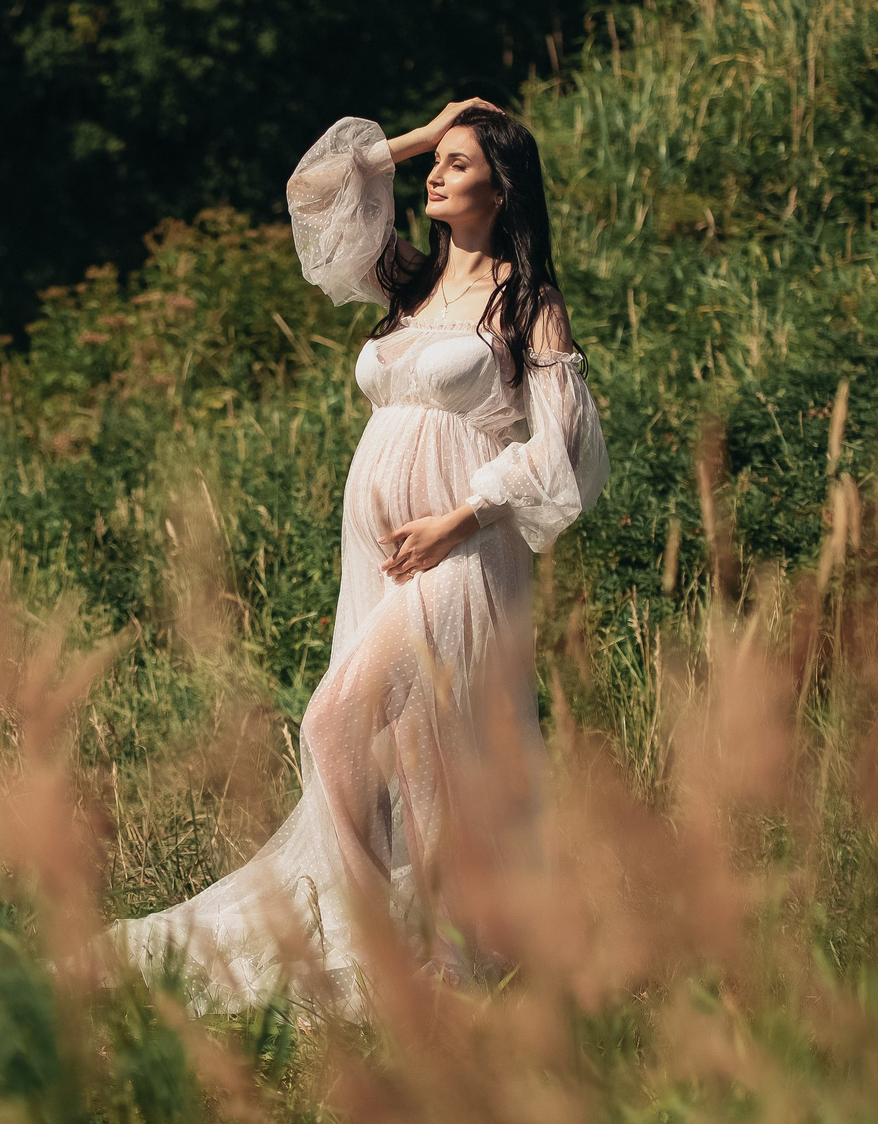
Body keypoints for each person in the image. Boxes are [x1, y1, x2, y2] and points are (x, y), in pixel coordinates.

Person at [110, 99, 610, 1012]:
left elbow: (563, 450)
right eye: (438, 162)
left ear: (502, 187)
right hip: (380, 551)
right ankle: (433, 940)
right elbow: (313, 188)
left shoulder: (525, 301)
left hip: (462, 547)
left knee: (334, 718)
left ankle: (381, 927)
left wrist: (460, 519)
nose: (436, 176)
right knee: (417, 750)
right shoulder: (408, 283)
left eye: (458, 165)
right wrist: (424, 130)